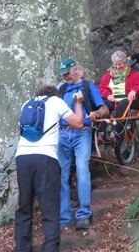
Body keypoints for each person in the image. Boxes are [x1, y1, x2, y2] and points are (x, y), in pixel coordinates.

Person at [15, 85, 84, 252]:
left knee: (24, 205)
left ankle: (22, 248)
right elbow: (78, 123)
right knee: (49, 205)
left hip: (22, 156)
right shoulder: (56, 102)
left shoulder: (27, 104)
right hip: (45, 157)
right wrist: (79, 103)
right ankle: (50, 247)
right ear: (55, 94)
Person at [57, 59, 109, 231]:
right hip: (63, 133)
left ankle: (84, 214)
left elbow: (105, 110)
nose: (65, 76)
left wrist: (95, 113)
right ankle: (64, 217)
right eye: (63, 74)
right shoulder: (61, 89)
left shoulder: (87, 86)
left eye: (68, 72)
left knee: (81, 169)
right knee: (62, 174)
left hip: (83, 133)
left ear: (76, 69)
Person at [98, 50, 139, 139]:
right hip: (113, 100)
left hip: (130, 99)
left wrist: (134, 90)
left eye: (120, 64)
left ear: (125, 63)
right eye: (115, 64)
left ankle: (116, 132)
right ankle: (101, 132)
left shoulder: (134, 74)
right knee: (104, 105)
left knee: (123, 104)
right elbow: (101, 87)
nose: (117, 67)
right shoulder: (108, 75)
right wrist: (107, 95)